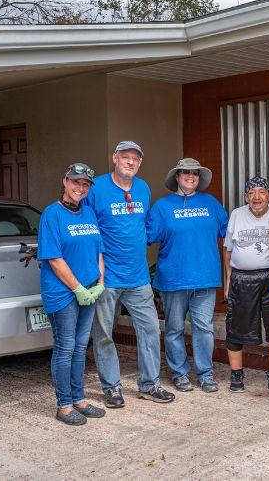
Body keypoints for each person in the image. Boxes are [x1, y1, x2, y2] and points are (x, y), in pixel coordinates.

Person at [83, 141, 174, 408]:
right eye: (126, 157)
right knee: (104, 334)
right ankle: (112, 388)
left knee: (149, 330)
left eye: (135, 159)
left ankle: (149, 384)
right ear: (115, 158)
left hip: (138, 277)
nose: (131, 162)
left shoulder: (143, 188)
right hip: (106, 277)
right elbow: (85, 224)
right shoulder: (97, 188)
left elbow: (144, 225)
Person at [146, 158, 228, 393]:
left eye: (195, 173)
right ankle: (179, 373)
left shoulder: (211, 203)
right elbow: (146, 236)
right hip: (173, 278)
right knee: (174, 329)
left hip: (205, 277)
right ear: (177, 177)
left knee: (204, 328)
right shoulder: (162, 207)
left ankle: (205, 373)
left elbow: (230, 234)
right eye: (185, 173)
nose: (190, 176)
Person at [38, 163, 106, 425]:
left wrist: (100, 282)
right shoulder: (51, 215)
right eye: (76, 182)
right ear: (65, 181)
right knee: (65, 348)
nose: (80, 188)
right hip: (63, 293)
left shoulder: (88, 212)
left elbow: (98, 251)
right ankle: (64, 405)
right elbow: (54, 259)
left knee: (80, 348)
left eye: (85, 184)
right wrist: (77, 288)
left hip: (90, 290)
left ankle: (79, 399)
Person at [223, 176, 269, 392]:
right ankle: (236, 375)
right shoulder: (237, 214)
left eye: (261, 192)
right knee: (235, 329)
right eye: (252, 193)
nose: (257, 197)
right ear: (246, 197)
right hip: (241, 278)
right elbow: (228, 251)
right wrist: (229, 280)